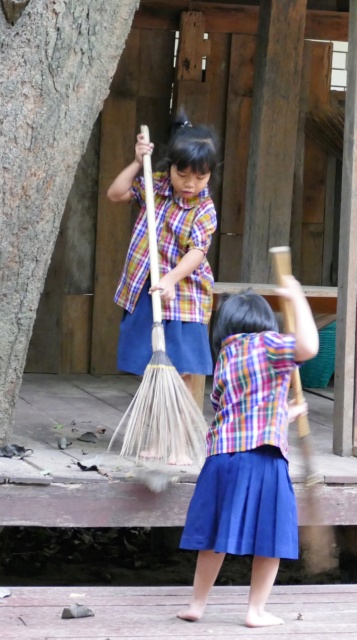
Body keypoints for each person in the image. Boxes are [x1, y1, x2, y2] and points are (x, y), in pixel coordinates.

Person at [177, 278, 319, 627]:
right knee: (271, 535)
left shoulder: (226, 353)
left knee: (213, 535)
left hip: (221, 457)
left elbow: (234, 410)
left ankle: (197, 603)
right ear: (266, 323)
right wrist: (298, 298)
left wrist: (285, 414)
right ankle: (255, 611)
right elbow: (309, 347)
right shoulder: (270, 344)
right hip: (262, 457)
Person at [107, 114, 219, 460]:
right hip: (148, 291)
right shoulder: (155, 187)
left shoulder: (205, 209)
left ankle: (182, 443)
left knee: (183, 370)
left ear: (209, 175)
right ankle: (159, 440)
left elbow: (197, 253)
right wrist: (137, 160)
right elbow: (116, 193)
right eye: (182, 174)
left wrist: (170, 279)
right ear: (170, 168)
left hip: (184, 297)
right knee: (155, 370)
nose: (190, 183)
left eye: (200, 177)